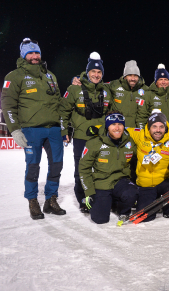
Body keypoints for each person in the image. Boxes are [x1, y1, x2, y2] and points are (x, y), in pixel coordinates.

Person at [1, 38, 66, 219]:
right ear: (23, 55)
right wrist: (14, 129)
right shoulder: (14, 76)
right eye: (30, 53)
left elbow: (59, 103)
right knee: (33, 166)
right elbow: (7, 105)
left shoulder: (50, 76)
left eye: (37, 52)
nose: (34, 56)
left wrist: (62, 128)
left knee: (57, 165)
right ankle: (32, 201)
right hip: (31, 130)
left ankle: (51, 199)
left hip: (53, 129)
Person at [59, 52, 110, 213]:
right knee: (82, 169)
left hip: (100, 136)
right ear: (87, 73)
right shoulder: (74, 89)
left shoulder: (106, 90)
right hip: (82, 137)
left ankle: (99, 195)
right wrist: (64, 130)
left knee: (101, 168)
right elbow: (63, 111)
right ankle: (83, 199)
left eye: (99, 72)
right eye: (93, 72)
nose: (96, 75)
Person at [78, 111, 138, 224]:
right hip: (101, 183)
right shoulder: (95, 142)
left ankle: (121, 207)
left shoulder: (129, 141)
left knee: (132, 192)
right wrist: (88, 191)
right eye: (113, 124)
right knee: (100, 219)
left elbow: (136, 161)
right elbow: (83, 168)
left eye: (120, 124)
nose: (117, 128)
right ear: (107, 126)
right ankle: (106, 202)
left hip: (120, 181)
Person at [126, 112, 169, 221]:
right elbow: (119, 128)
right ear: (149, 127)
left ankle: (166, 207)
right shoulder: (140, 134)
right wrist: (97, 128)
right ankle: (154, 202)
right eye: (154, 126)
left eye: (161, 127)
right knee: (145, 217)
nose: (158, 130)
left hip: (163, 182)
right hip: (145, 184)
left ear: (165, 128)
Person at [136, 64, 169, 138]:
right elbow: (141, 116)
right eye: (160, 79)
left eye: (166, 79)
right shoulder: (148, 95)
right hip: (154, 136)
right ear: (156, 82)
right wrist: (144, 133)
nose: (163, 82)